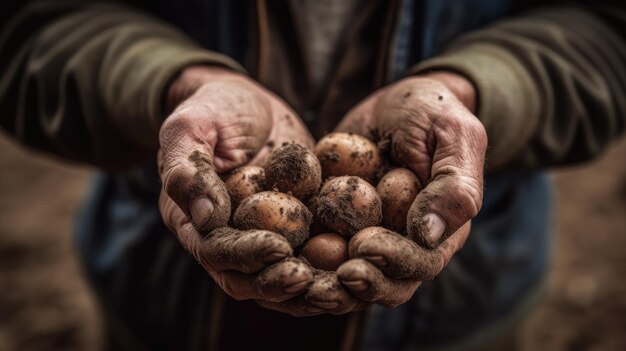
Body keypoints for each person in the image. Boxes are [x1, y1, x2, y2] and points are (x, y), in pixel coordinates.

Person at [1, 1, 624, 350]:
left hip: (460, 312)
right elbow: (27, 30)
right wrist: (171, 84)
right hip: (161, 301)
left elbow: (605, 33)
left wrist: (478, 93)